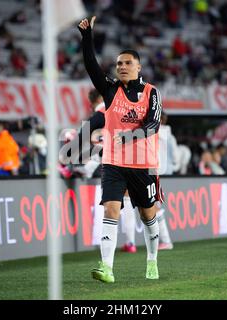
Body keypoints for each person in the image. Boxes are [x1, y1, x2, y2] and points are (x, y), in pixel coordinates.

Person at [79, 16, 163, 283]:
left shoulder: (152, 92)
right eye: (118, 64)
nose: (122, 67)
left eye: (127, 63)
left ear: (138, 66)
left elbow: (153, 124)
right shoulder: (110, 91)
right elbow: (92, 67)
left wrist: (127, 138)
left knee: (148, 216)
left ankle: (151, 261)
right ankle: (107, 268)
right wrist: (87, 36)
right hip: (114, 164)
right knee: (111, 210)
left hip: (143, 164)